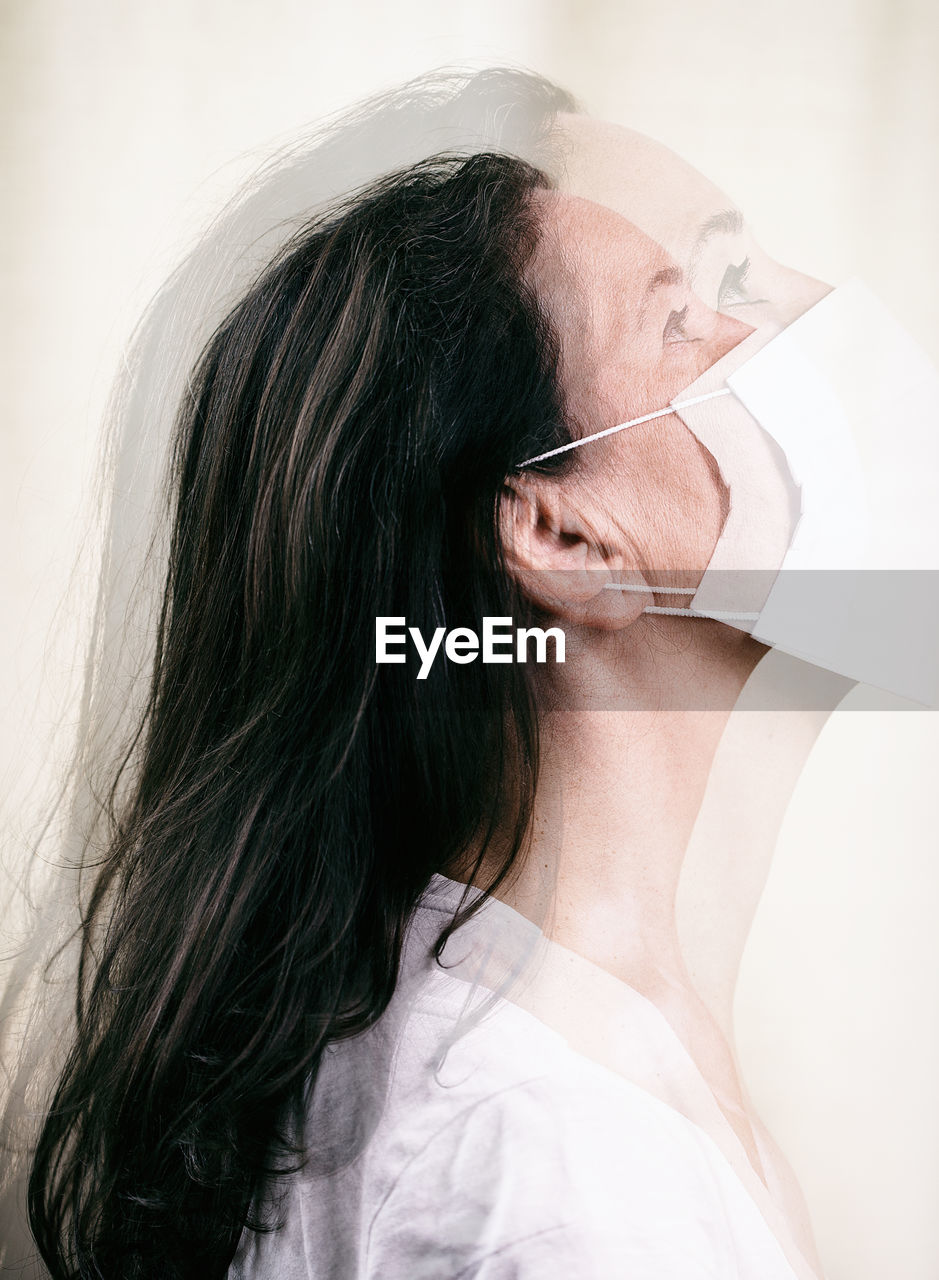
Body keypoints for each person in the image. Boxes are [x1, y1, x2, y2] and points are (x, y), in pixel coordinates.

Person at [7, 66, 880, 1279]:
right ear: (567, 538)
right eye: (698, 305)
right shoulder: (568, 1174)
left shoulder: (551, 1063)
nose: (805, 323)